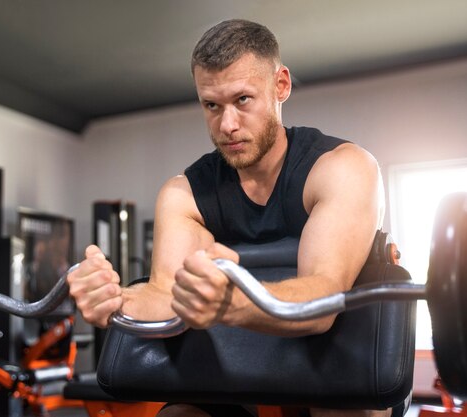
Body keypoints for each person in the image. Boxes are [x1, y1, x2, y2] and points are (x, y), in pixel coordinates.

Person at [67, 19, 388, 417]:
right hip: (233, 386)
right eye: (211, 105)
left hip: (334, 379)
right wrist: (115, 300)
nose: (227, 125)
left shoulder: (340, 168)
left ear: (281, 86)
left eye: (242, 100)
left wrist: (234, 304)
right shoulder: (185, 193)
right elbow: (166, 295)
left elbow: (322, 300)